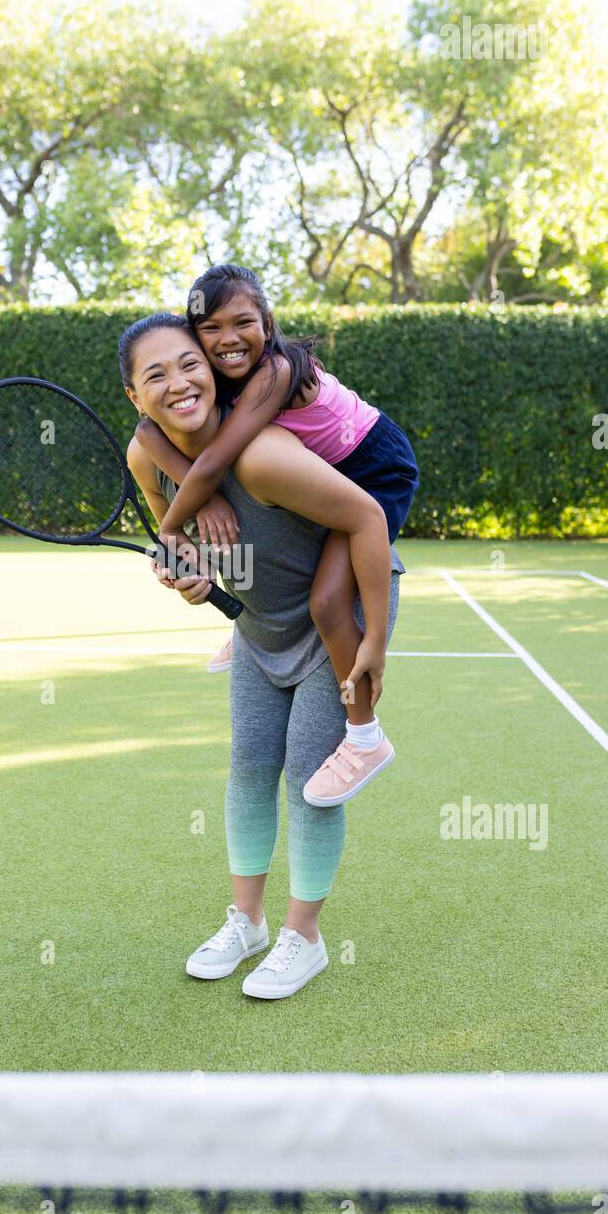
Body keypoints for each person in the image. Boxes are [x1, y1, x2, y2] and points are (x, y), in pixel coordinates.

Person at [120, 312, 405, 1000]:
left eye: (189, 363)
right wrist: (188, 579)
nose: (178, 382)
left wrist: (371, 641)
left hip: (335, 619)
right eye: (153, 374)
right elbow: (186, 554)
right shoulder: (146, 458)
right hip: (258, 627)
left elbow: (369, 519)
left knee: (309, 780)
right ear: (134, 397)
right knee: (249, 769)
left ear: (214, 368)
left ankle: (302, 937)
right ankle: (245, 921)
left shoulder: (264, 454)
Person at [134, 263, 419, 808]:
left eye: (241, 322)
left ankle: (365, 736)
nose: (226, 339)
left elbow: (217, 455)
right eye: (209, 330)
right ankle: (255, 630)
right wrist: (207, 498)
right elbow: (149, 429)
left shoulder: (275, 371)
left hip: (375, 468)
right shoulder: (218, 375)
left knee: (330, 601)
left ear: (266, 322)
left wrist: (172, 524)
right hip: (330, 472)